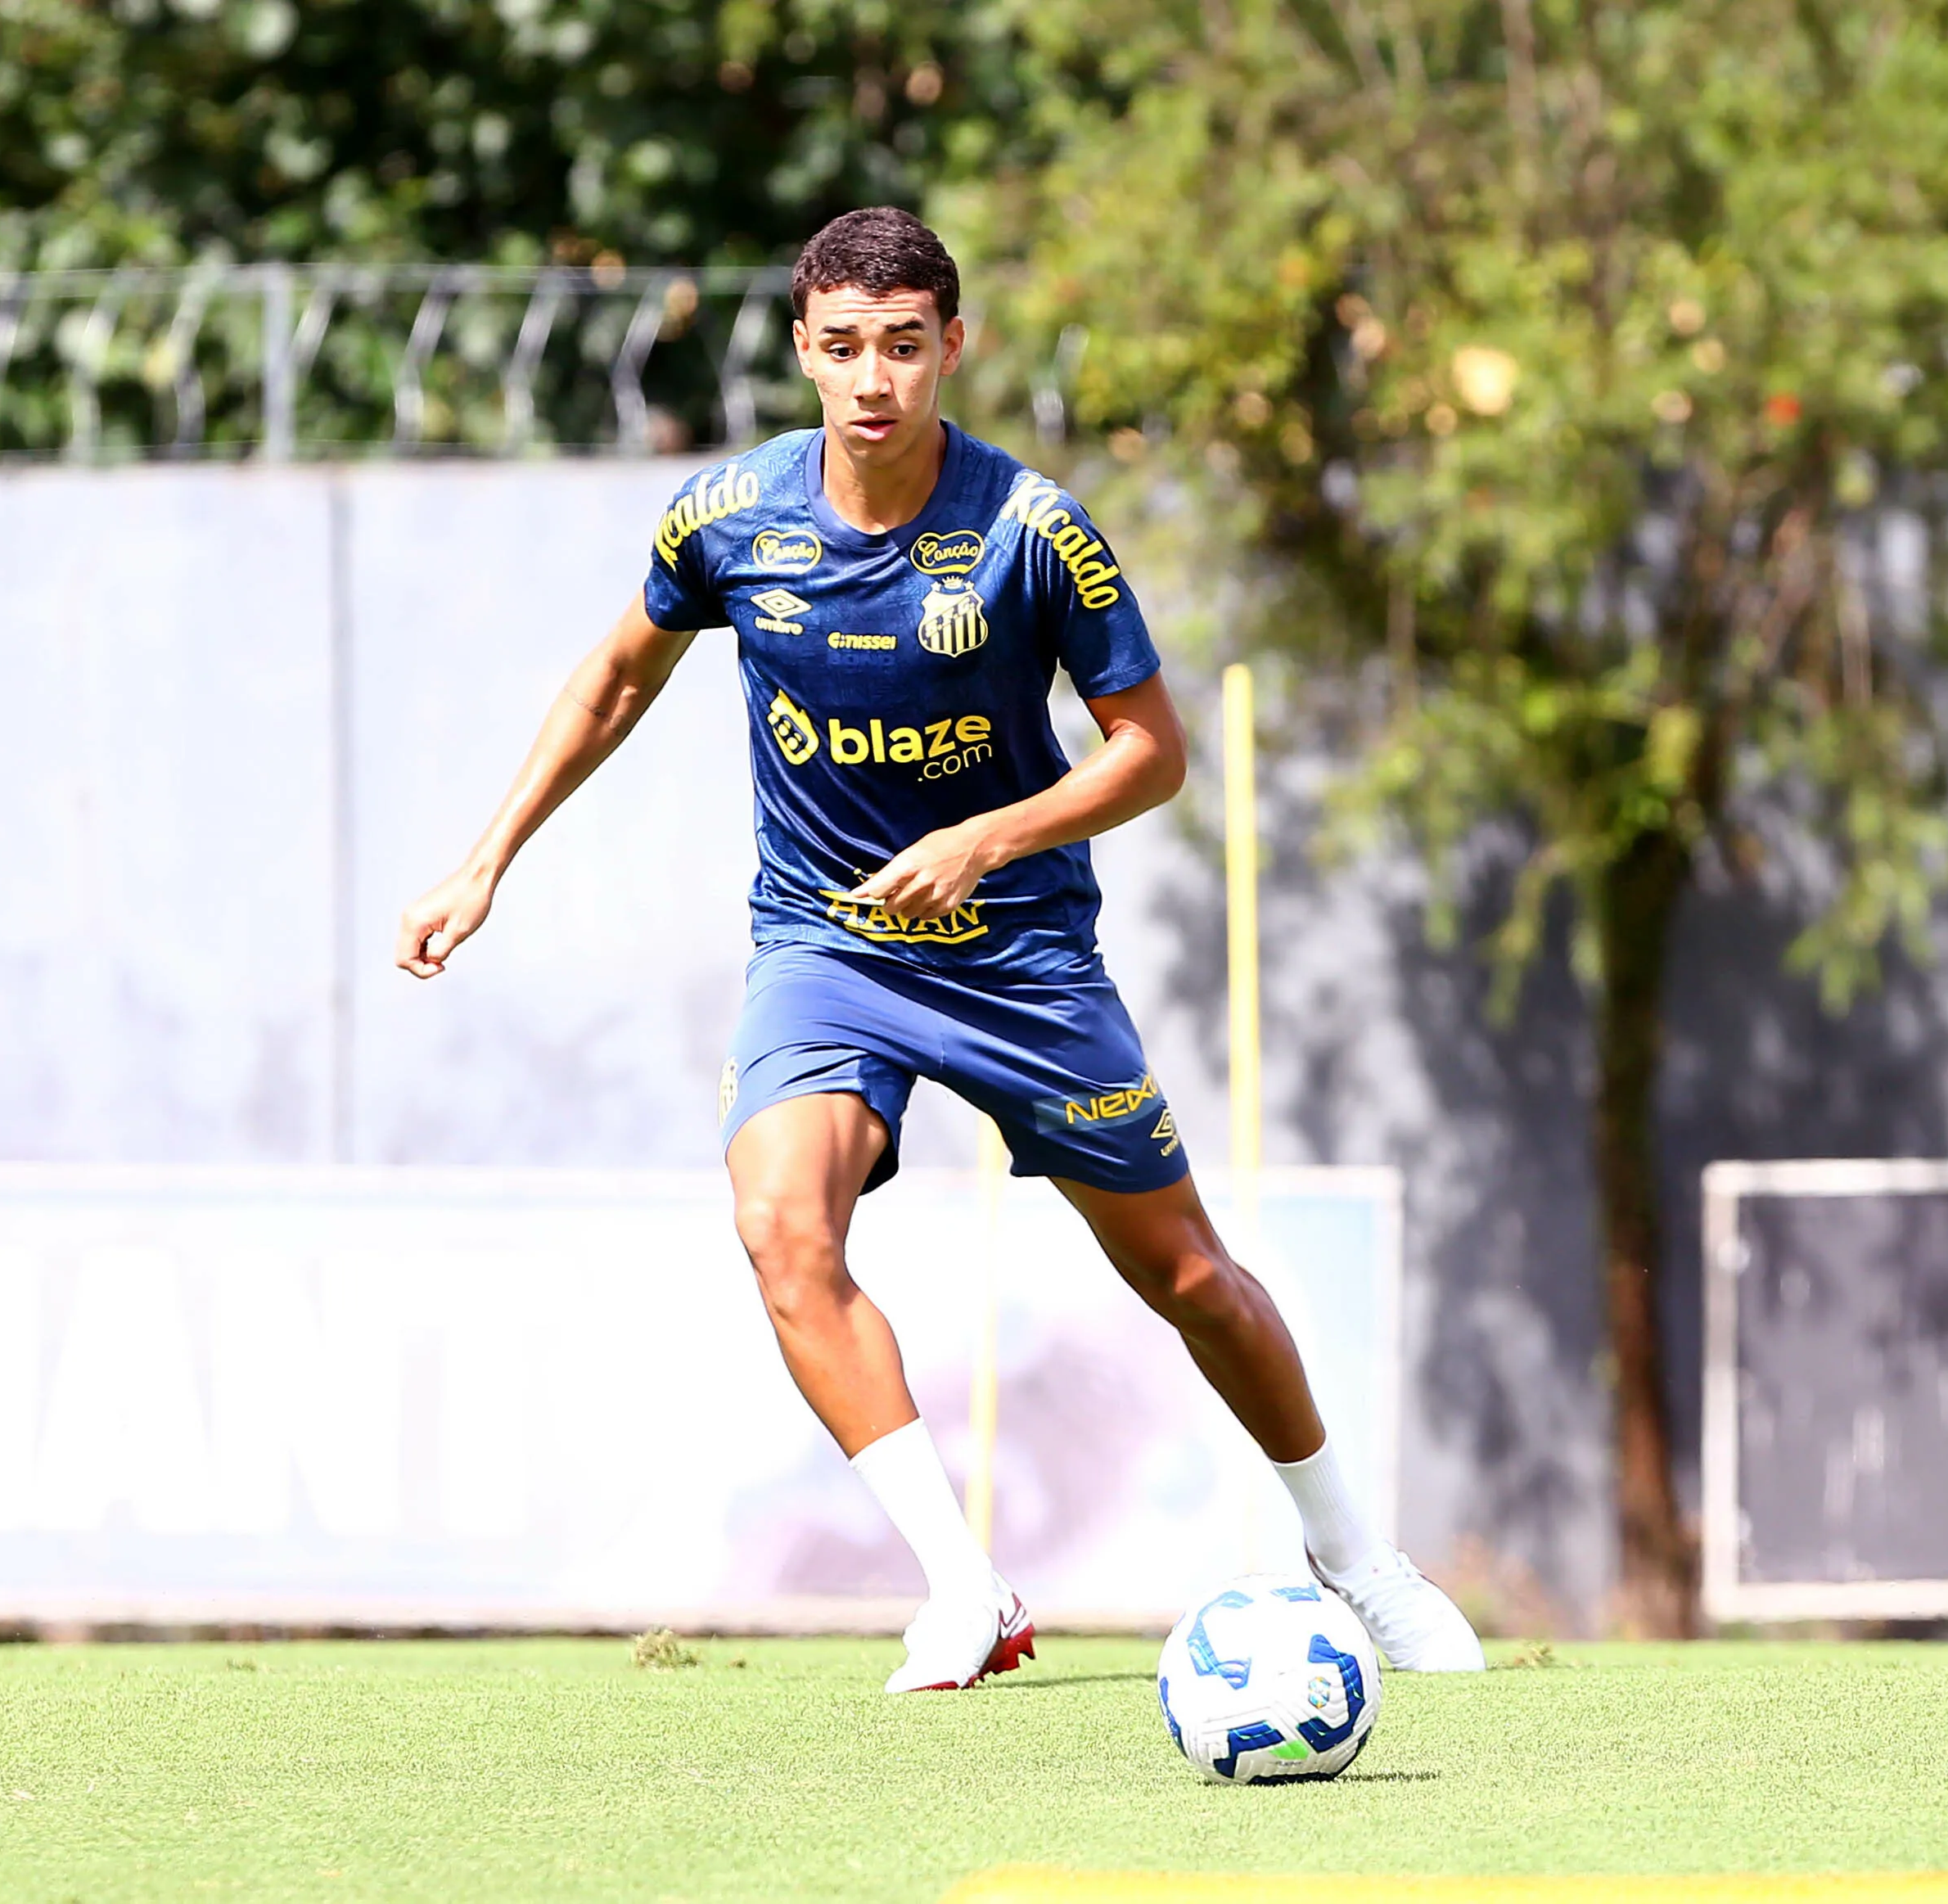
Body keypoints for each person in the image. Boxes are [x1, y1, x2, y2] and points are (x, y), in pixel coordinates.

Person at [395, 208, 1483, 1692]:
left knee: (1187, 1277)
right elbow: (611, 680)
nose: (872, 380)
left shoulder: (1033, 532)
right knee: (783, 1228)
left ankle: (1359, 1559)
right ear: (800, 352)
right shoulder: (726, 520)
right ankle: (964, 1586)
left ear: (950, 347)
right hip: (825, 945)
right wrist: (485, 857)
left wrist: (990, 836)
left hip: (1021, 960)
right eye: (841, 349)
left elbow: (1150, 753)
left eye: (903, 347)